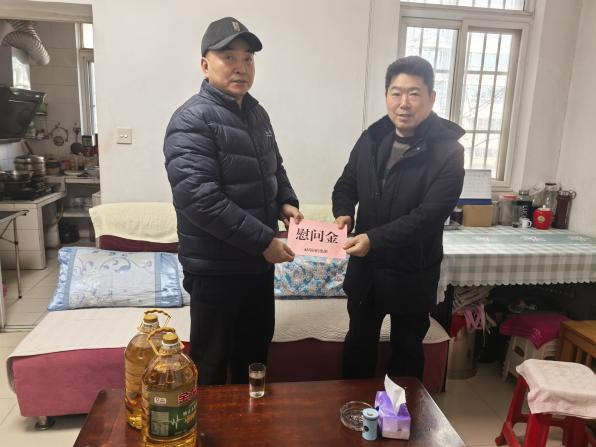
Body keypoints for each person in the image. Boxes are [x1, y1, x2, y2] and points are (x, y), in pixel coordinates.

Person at [163, 17, 302, 385]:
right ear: (205, 65)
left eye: (248, 58)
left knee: (253, 359)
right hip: (216, 270)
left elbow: (274, 167)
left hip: (257, 267)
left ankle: (250, 420)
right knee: (211, 365)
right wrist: (265, 241)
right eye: (229, 57)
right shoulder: (191, 120)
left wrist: (285, 201)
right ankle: (209, 423)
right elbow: (200, 199)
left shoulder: (257, 113)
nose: (241, 67)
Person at [332, 56, 465, 380]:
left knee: (406, 353)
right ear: (386, 96)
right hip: (367, 271)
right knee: (358, 346)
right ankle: (355, 408)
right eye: (396, 92)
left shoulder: (448, 152)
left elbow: (429, 216)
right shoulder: (371, 138)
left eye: (414, 93)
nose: (404, 103)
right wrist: (344, 212)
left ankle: (399, 412)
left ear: (431, 98)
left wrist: (373, 239)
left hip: (412, 272)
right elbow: (346, 184)